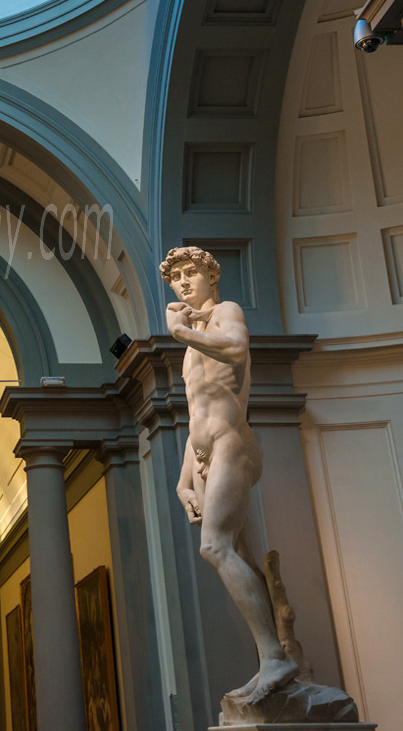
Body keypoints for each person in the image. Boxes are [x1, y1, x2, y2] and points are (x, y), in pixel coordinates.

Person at [161, 246, 299, 704]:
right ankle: (275, 656)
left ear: (209, 277)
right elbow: (196, 413)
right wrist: (183, 481)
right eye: (175, 277)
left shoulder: (226, 312)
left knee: (214, 546)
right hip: (203, 451)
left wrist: (182, 331)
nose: (182, 282)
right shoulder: (193, 340)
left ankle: (275, 659)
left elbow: (238, 350)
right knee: (237, 554)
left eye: (189, 273)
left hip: (231, 443)